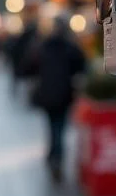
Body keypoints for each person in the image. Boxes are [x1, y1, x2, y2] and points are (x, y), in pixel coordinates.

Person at [28, 16, 87, 182]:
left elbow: (29, 67)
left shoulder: (42, 47)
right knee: (59, 127)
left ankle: (53, 154)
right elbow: (82, 67)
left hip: (46, 94)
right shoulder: (71, 48)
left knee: (51, 125)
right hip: (64, 95)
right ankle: (56, 156)